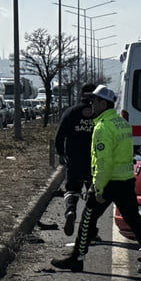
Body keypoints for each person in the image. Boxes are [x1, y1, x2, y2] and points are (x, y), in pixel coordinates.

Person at [51, 86, 141, 275]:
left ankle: (76, 258)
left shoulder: (103, 127)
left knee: (87, 218)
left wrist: (99, 189)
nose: (91, 104)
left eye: (95, 101)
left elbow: (103, 161)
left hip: (109, 181)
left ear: (104, 103)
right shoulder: (121, 123)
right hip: (125, 180)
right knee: (134, 220)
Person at [55, 83, 97, 236]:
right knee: (93, 196)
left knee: (72, 189)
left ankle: (70, 210)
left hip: (74, 159)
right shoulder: (99, 113)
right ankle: (90, 230)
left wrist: (61, 154)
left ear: (81, 95)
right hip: (94, 161)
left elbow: (60, 136)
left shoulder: (71, 112)